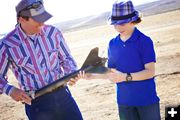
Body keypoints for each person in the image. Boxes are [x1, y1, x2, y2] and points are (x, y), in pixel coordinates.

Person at [0, 0, 83, 120]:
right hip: (37, 105)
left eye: (43, 18)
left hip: (63, 96)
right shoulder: (7, 44)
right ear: (21, 19)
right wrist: (10, 90)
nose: (42, 24)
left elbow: (67, 59)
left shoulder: (54, 33)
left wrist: (71, 72)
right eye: (37, 20)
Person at [86, 0, 161, 120]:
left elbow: (150, 72)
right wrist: (92, 76)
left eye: (122, 23)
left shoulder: (144, 41)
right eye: (115, 24)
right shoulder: (112, 44)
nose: (118, 27)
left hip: (147, 100)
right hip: (124, 102)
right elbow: (112, 72)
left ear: (133, 20)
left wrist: (126, 77)